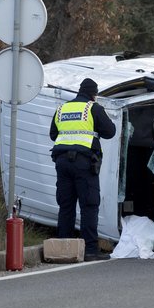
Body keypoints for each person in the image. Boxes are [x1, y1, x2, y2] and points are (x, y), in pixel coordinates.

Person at [50, 77, 117, 261]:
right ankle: (89, 250)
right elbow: (110, 131)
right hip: (84, 163)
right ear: (93, 94)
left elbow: (53, 134)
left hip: (62, 162)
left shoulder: (62, 108)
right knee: (89, 204)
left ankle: (64, 249)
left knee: (66, 204)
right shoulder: (92, 108)